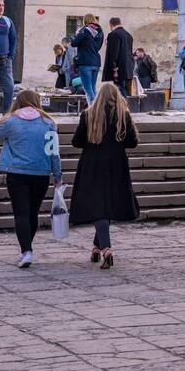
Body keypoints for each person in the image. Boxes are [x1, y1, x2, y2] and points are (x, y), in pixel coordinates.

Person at [69, 81, 138, 269]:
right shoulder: (123, 115)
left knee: (99, 206)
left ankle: (106, 248)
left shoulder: (88, 115)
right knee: (105, 204)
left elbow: (76, 142)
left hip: (92, 163)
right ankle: (96, 248)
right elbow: (132, 142)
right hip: (116, 164)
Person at [0, 89, 61, 268]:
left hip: (16, 173)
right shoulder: (48, 123)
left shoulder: (10, 121)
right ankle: (27, 246)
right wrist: (57, 176)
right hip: (41, 173)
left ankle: (26, 251)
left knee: (21, 213)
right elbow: (54, 153)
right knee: (32, 213)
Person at [70, 14, 104, 103]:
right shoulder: (100, 32)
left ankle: (93, 110)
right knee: (93, 88)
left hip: (85, 62)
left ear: (85, 21)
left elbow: (73, 43)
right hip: (96, 63)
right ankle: (97, 108)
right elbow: (98, 47)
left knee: (88, 90)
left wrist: (75, 35)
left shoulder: (84, 30)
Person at [104, 17, 135, 95]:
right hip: (128, 68)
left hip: (119, 69)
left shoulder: (114, 34)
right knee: (126, 90)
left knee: (119, 91)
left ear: (111, 25)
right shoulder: (128, 35)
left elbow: (114, 53)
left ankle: (122, 107)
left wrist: (114, 68)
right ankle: (126, 106)